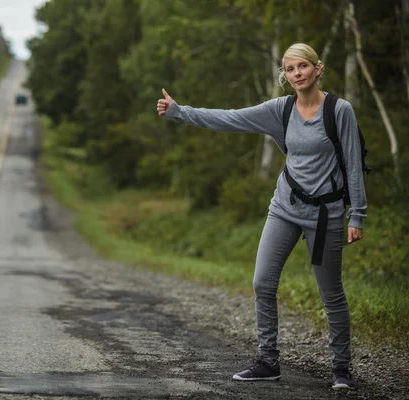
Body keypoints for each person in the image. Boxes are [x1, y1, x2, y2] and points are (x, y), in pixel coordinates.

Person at [157, 43, 367, 390]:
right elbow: (229, 117)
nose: (297, 74)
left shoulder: (339, 110)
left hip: (325, 213)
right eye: (289, 69)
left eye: (302, 66)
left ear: (318, 68)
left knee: (330, 292)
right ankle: (268, 361)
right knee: (262, 283)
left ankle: (341, 369)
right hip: (285, 206)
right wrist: (180, 111)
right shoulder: (280, 110)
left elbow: (354, 163)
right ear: (284, 75)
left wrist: (357, 215)